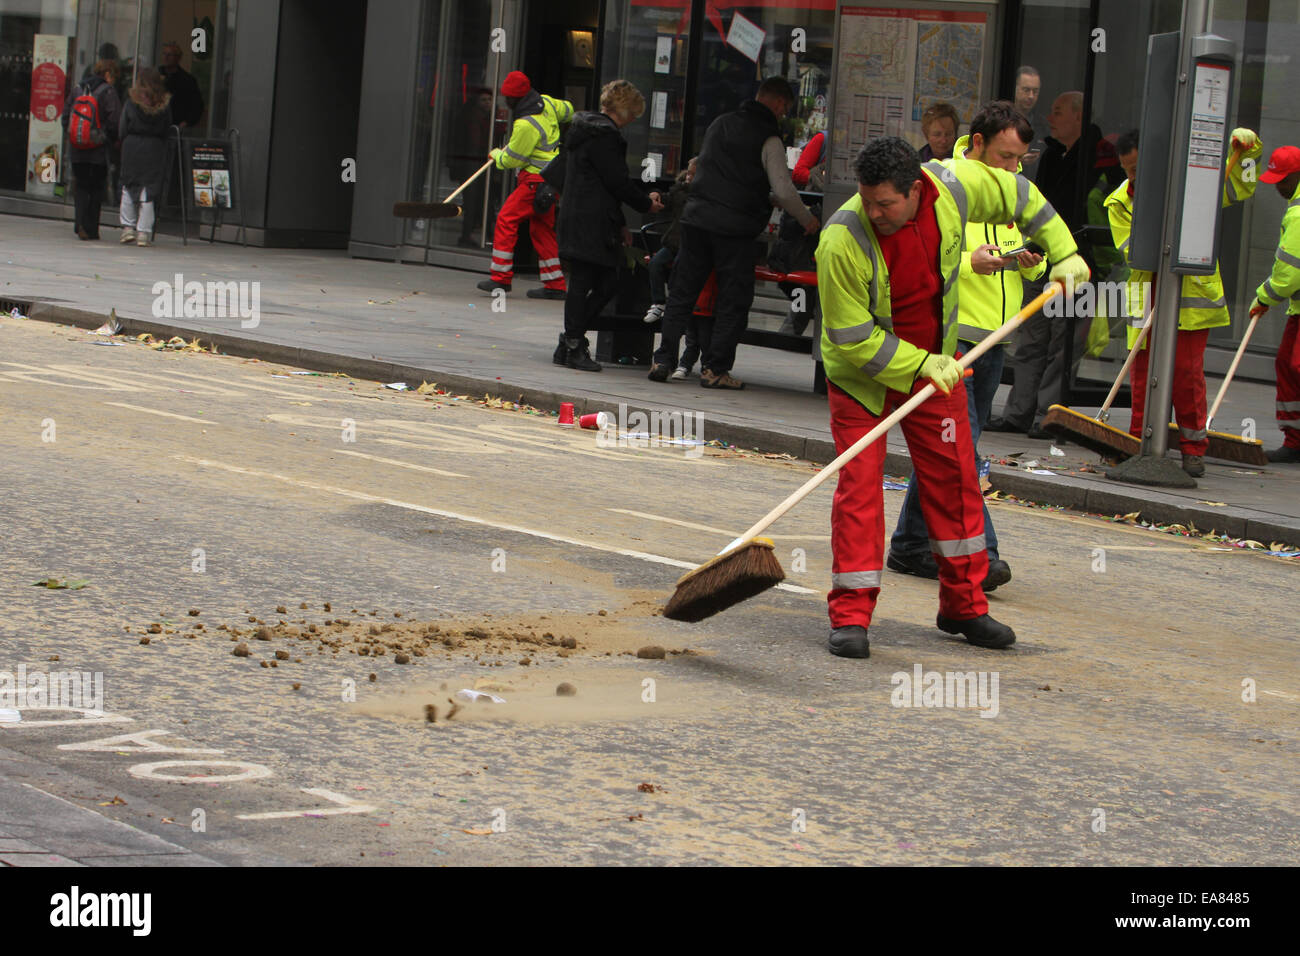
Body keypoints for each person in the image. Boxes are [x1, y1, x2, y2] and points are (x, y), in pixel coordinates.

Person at [817, 136, 1087, 659]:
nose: (873, 212)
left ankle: (963, 606)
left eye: (886, 204)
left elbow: (1024, 197)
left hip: (936, 371)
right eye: (867, 200)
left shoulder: (956, 186)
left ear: (917, 190)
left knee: (956, 481)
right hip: (864, 378)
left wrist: (1066, 252)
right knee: (861, 488)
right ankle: (851, 615)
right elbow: (851, 339)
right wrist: (919, 363)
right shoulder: (841, 240)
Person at [886, 102, 1046, 592]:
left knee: (954, 444)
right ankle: (984, 554)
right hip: (951, 341)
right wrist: (966, 262)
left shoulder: (1017, 190)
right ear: (976, 144)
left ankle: (911, 544)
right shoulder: (941, 185)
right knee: (961, 451)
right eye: (1003, 157)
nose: (1012, 169)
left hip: (995, 340)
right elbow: (916, 258)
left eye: (1019, 160)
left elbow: (1038, 261)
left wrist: (1030, 263)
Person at [1104, 128, 1261, 476]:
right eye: (1128, 170)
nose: (1133, 177)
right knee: (1144, 375)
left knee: (1186, 378)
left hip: (1191, 303)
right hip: (1148, 298)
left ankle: (1193, 449)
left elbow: (1241, 185)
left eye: (1138, 168)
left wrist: (1248, 152)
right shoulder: (1119, 202)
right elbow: (1134, 252)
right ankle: (1138, 442)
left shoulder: (1196, 190)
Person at [647, 76, 818, 389]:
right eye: (784, 110)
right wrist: (807, 219)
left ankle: (663, 359)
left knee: (681, 294)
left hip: (697, 221)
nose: (782, 115)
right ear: (779, 103)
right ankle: (715, 369)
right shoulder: (769, 138)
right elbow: (783, 189)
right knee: (733, 300)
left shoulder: (720, 123)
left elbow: (701, 163)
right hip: (735, 229)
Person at [989, 90, 1106, 437]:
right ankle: (1019, 412)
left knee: (1063, 343)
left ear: (1078, 117)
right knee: (1031, 339)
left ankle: (1048, 414)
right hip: (1039, 257)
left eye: (1057, 111)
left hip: (1078, 263)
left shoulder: (1097, 158)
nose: (1050, 117)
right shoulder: (1053, 155)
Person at [551, 80, 663, 371]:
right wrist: (645, 204)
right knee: (596, 281)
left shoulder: (584, 129)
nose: (634, 121)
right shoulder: (606, 136)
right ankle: (572, 343)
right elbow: (616, 182)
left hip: (578, 215)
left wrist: (622, 224)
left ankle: (569, 342)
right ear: (625, 111)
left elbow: (600, 182)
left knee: (591, 281)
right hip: (593, 220)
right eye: (634, 114)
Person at [479, 71, 574, 300]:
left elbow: (512, 159)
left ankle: (500, 278)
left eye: (508, 98)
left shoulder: (525, 124)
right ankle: (555, 284)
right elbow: (569, 110)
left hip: (533, 182)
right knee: (541, 229)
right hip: (550, 183)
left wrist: (495, 154)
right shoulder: (548, 103)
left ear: (516, 99)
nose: (506, 102)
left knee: (505, 219)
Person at [1248, 146, 1300, 463]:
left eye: (1282, 179)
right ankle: (1294, 439)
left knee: (1294, 364)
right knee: (1286, 363)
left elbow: (1289, 271)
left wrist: (1265, 296)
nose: (1278, 186)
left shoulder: (1298, 213)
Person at [62, 59, 122, 241]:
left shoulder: (78, 89)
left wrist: (73, 135)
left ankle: (79, 223)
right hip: (98, 150)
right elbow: (114, 121)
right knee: (96, 188)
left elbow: (66, 116)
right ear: (108, 74)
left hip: (77, 148)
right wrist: (107, 139)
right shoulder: (108, 92)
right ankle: (91, 228)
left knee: (81, 186)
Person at [117, 69, 173, 247]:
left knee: (128, 185)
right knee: (148, 191)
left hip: (132, 147)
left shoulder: (131, 103)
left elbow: (122, 128)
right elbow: (167, 130)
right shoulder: (164, 105)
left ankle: (127, 228)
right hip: (154, 149)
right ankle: (143, 232)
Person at [643, 157, 697, 325]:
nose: (689, 177)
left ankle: (673, 307)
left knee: (679, 273)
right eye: (688, 173)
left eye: (693, 174)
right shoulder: (680, 190)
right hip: (675, 241)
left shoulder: (703, 195)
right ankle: (659, 302)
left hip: (690, 244)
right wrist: (657, 195)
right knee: (655, 263)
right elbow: (667, 198)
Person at [449, 87, 494, 247]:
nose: (488, 103)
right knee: (472, 201)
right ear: (476, 102)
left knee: (480, 200)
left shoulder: (487, 118)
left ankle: (483, 233)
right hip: (471, 164)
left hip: (478, 163)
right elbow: (473, 143)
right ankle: (468, 235)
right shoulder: (472, 118)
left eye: (489, 100)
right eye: (484, 100)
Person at [160, 42, 203, 129]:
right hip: (156, 124)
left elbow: (197, 105)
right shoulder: (155, 76)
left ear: (178, 58)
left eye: (170, 55)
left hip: (176, 125)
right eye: (164, 54)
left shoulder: (187, 80)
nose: (166, 57)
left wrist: (187, 122)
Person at [1012, 66, 1047, 172]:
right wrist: (1017, 160)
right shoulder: (1003, 120)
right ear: (1015, 89)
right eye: (1026, 90)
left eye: (1035, 91)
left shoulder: (1044, 125)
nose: (1031, 96)